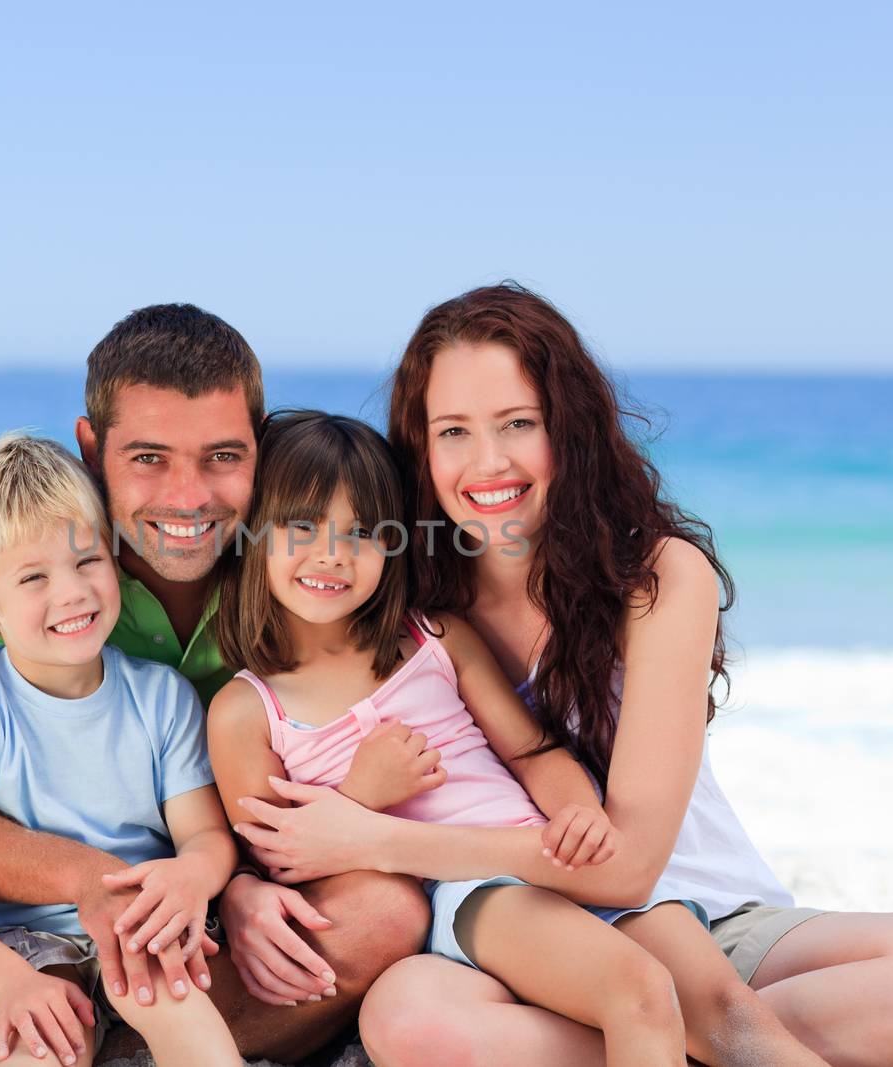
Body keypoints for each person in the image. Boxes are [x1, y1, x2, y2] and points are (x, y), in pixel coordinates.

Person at [234, 284, 893, 1067]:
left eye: (519, 424)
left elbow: (630, 863)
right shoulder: (414, 602)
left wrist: (377, 836)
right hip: (521, 931)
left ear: (567, 428)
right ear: (419, 447)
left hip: (694, 909)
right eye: (454, 431)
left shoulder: (658, 576)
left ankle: (686, 1039)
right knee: (411, 1020)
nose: (488, 462)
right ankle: (680, 1043)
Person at [0, 305, 429, 1067]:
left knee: (382, 914)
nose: (189, 498)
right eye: (150, 458)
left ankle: (122, 1041)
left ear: (258, 446)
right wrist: (84, 881)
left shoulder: (306, 550)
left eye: (222, 456)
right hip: (12, 935)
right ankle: (57, 1028)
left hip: (188, 929)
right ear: (92, 448)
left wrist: (224, 886)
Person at [216, 410, 838, 1067]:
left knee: (728, 1012)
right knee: (640, 991)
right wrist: (361, 792)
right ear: (253, 535)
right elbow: (281, 862)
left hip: (547, 854)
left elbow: (533, 749)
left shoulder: (434, 638)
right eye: (303, 527)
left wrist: (578, 812)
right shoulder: (247, 712)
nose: (332, 555)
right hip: (475, 892)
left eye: (362, 532)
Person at [0, 432, 240, 1067]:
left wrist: (191, 876)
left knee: (172, 997)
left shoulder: (161, 697)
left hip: (144, 920)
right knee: (45, 1041)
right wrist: (11, 983)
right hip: (26, 940)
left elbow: (206, 837)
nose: (71, 593)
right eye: (33, 577)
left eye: (87, 563)